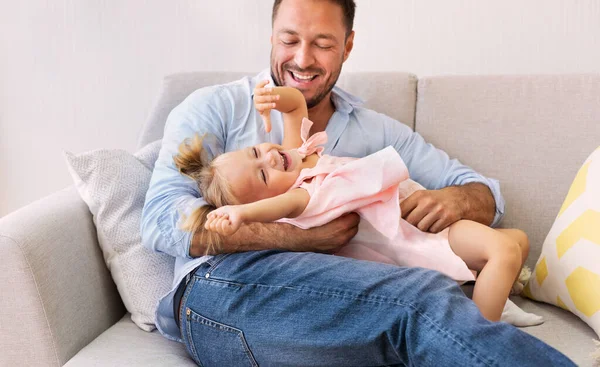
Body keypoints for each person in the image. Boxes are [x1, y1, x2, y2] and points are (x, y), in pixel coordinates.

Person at [141, 0, 575, 365]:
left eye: (323, 44)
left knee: (426, 308)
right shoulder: (217, 108)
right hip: (225, 289)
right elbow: (162, 219)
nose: (303, 59)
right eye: (289, 40)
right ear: (271, 36)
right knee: (418, 301)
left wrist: (458, 200)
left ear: (348, 46)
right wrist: (302, 238)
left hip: (349, 300)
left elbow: (482, 191)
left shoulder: (379, 133)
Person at [175, 83, 532, 323]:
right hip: (418, 238)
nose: (268, 159)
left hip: (421, 218)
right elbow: (275, 210)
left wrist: (273, 98)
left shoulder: (293, 152)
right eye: (263, 176)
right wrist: (239, 213)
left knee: (518, 240)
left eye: (256, 151)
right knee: (504, 250)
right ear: (272, 196)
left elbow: (296, 104)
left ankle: (486, 298)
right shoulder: (301, 195)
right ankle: (477, 336)